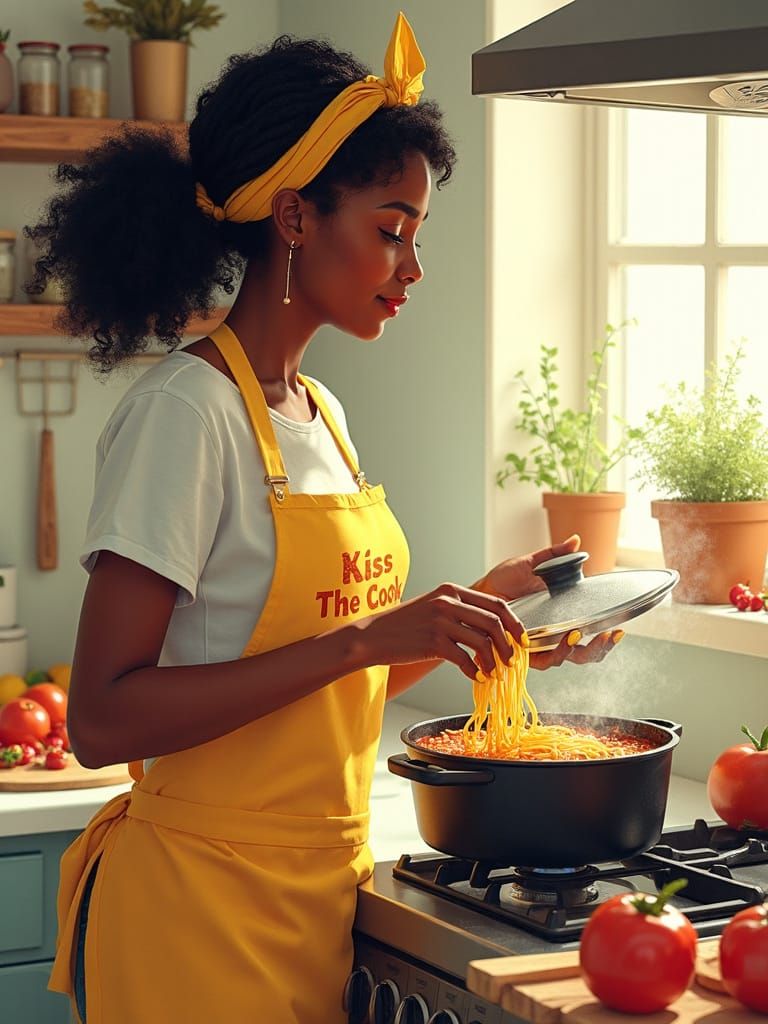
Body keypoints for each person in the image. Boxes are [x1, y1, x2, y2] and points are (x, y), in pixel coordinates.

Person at [31, 13, 622, 1024]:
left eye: (417, 236)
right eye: (391, 230)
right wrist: (366, 634)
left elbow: (329, 687)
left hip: (311, 901)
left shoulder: (321, 415)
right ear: (296, 218)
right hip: (193, 915)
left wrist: (478, 610)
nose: (411, 267)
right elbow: (101, 718)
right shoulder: (187, 414)